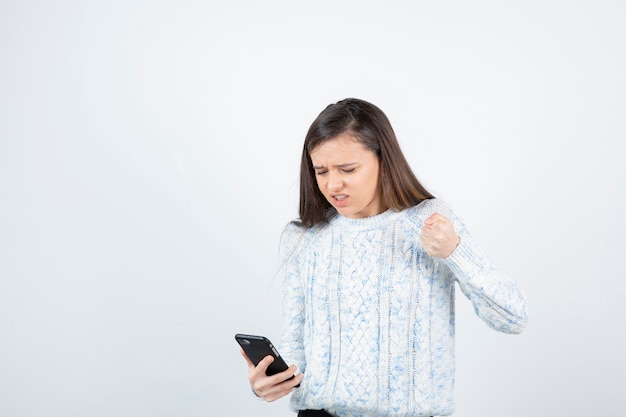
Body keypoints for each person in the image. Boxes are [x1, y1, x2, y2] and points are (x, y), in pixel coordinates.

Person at [240, 98, 528, 417]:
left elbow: (513, 318)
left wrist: (455, 253)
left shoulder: (429, 222)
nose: (332, 184)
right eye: (320, 171)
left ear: (383, 160)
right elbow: (295, 354)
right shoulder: (305, 237)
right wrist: (267, 384)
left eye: (348, 169)